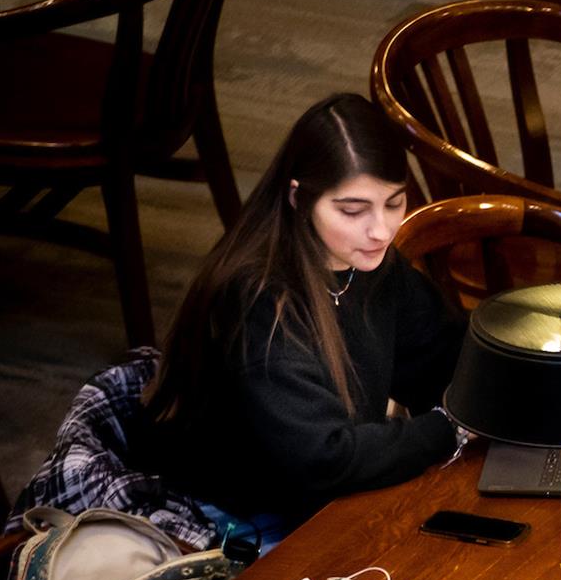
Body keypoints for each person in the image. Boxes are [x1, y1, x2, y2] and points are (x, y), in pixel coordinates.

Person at [131, 93, 465, 547]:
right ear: (298, 197)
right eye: (352, 211)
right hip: (236, 518)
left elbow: (439, 358)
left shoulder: (366, 262)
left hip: (317, 492)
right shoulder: (258, 301)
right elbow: (322, 461)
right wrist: (451, 428)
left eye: (395, 202)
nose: (382, 230)